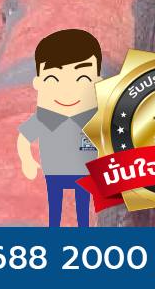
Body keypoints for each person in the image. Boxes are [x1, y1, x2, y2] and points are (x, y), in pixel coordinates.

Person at [17, 29, 103, 227]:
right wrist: (27, 161)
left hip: (84, 172)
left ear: (97, 81)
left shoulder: (93, 117)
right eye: (54, 80)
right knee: (55, 207)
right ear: (38, 83)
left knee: (83, 207)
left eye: (81, 79)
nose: (68, 90)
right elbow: (24, 138)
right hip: (55, 172)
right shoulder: (45, 117)